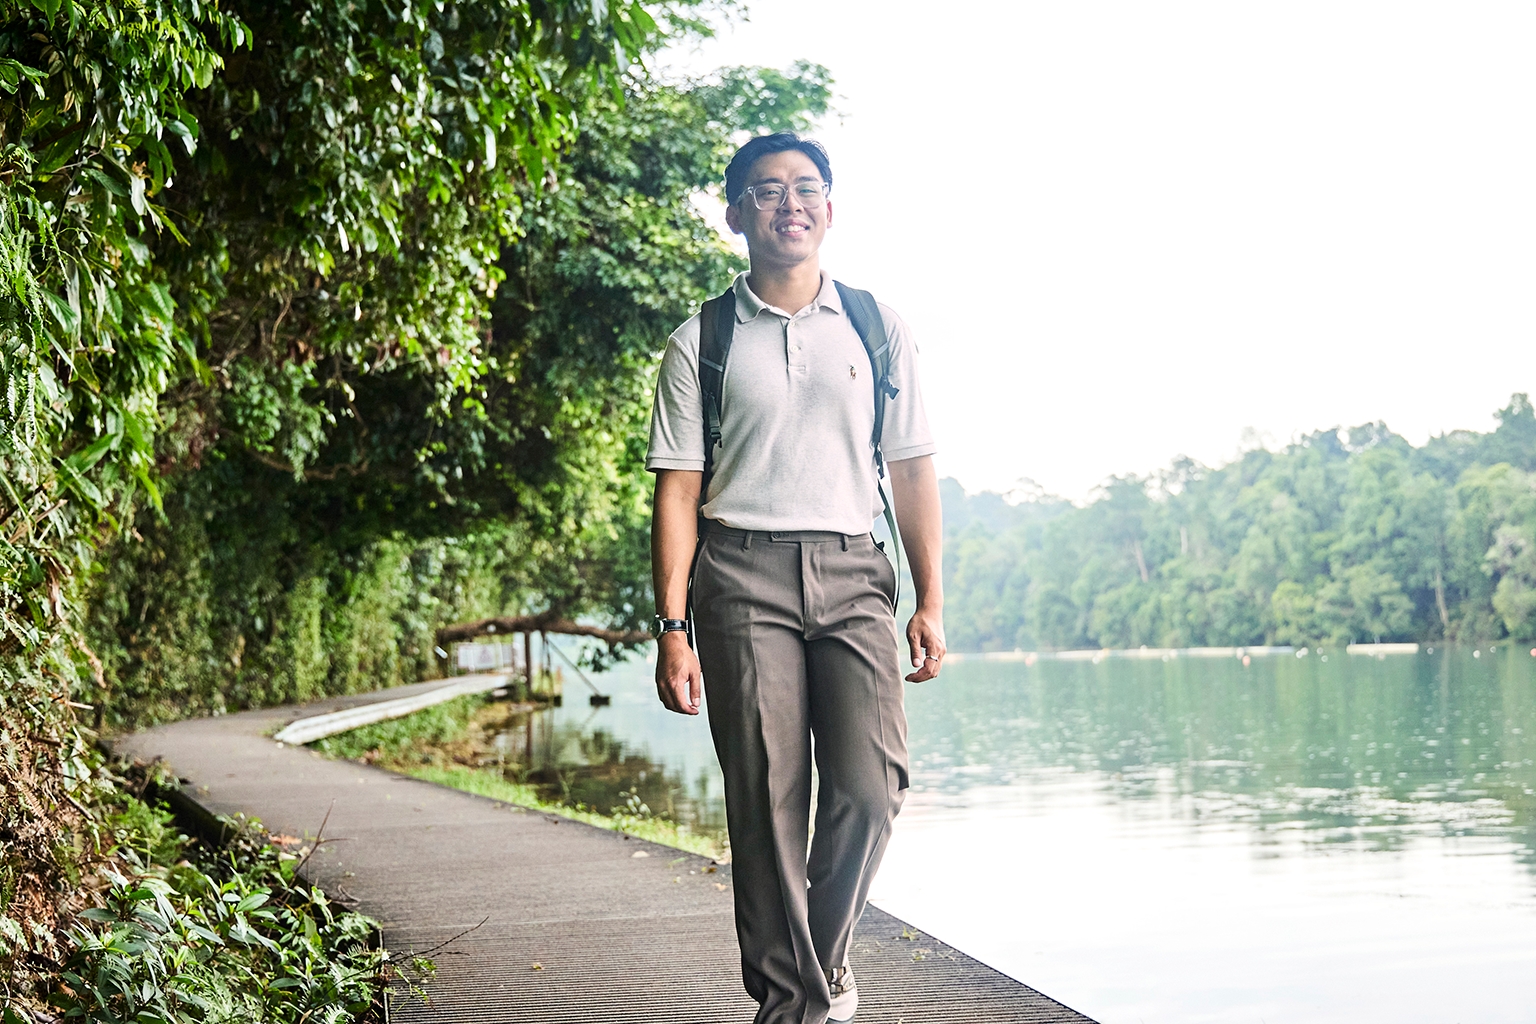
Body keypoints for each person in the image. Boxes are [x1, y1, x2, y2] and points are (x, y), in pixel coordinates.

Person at [646, 131, 945, 1024]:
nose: (789, 204)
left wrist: (931, 597)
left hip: (856, 571)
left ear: (829, 207)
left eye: (806, 188)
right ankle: (793, 1007)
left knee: (871, 786)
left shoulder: (875, 324)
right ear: (735, 212)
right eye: (767, 191)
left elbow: (912, 466)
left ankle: (823, 965)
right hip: (739, 576)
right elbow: (679, 489)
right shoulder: (700, 339)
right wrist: (672, 626)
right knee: (767, 799)